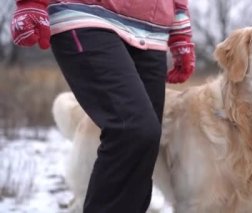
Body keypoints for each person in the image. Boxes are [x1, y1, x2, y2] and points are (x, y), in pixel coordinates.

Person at [11, 0, 195, 212]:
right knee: (133, 130)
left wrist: (181, 33)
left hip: (151, 30)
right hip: (87, 14)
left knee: (145, 143)